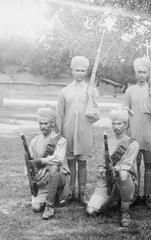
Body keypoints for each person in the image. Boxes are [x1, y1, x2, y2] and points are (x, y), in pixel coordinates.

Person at [56, 56, 100, 206]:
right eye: (77, 70)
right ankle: (70, 193)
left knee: (82, 164)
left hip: (84, 132)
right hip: (68, 132)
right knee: (70, 163)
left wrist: (94, 115)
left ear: (86, 72)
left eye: (83, 70)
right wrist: (59, 134)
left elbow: (96, 113)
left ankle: (81, 194)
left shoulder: (91, 90)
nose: (80, 73)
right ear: (72, 70)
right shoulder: (65, 91)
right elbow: (60, 114)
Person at [86, 107, 139, 227]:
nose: (116, 127)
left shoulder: (133, 144)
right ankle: (112, 198)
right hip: (107, 182)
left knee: (123, 173)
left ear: (125, 125)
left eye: (119, 124)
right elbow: (100, 164)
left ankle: (125, 210)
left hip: (126, 182)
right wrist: (103, 172)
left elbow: (127, 165)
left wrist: (114, 169)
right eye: (114, 124)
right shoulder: (108, 141)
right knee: (91, 211)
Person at [124, 57, 151, 208]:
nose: (141, 75)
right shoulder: (130, 91)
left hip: (149, 132)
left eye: (144, 72)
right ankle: (134, 193)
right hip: (133, 132)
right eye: (139, 72)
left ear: (149, 74)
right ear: (135, 73)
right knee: (135, 165)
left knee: (148, 165)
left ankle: (147, 195)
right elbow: (125, 111)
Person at [29, 107, 71, 220]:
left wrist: (42, 161)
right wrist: (33, 175)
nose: (43, 126)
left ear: (52, 123)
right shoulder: (34, 141)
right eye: (40, 123)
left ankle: (50, 205)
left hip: (59, 176)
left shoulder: (60, 140)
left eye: (46, 123)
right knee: (36, 208)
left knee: (53, 167)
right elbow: (29, 163)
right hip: (42, 181)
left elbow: (58, 159)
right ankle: (52, 194)